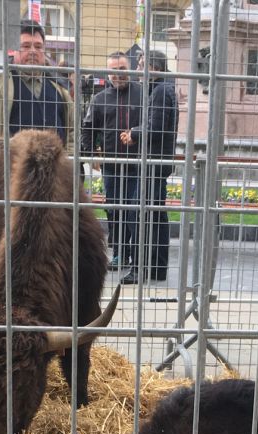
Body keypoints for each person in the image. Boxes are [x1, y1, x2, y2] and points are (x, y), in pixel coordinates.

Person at [82, 51, 144, 282]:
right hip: (111, 165)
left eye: (121, 70)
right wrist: (90, 155)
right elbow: (87, 128)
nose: (117, 75)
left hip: (138, 164)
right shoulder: (99, 99)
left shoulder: (142, 94)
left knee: (133, 211)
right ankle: (119, 253)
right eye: (113, 71)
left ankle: (137, 256)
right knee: (114, 209)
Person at [0, 20, 75, 146]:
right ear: (14, 49)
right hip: (8, 164)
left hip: (53, 165)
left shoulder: (60, 89)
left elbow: (72, 135)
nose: (33, 51)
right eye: (26, 46)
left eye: (38, 46)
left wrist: (66, 162)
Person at [120, 49, 178, 283]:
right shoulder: (162, 89)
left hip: (153, 164)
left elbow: (156, 126)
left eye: (141, 65)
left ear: (154, 68)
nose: (137, 70)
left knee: (139, 215)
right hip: (156, 163)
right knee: (156, 216)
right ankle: (157, 268)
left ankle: (140, 268)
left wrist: (133, 133)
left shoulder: (161, 90)